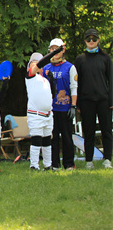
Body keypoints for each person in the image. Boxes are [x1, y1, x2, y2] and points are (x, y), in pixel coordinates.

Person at [74, 29, 113, 169]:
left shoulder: (105, 58)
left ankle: (107, 158)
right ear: (85, 41)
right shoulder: (80, 59)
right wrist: (77, 102)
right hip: (86, 100)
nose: (91, 42)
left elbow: (111, 80)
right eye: (89, 39)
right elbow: (75, 83)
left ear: (98, 40)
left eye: (94, 39)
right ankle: (89, 160)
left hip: (103, 100)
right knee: (88, 131)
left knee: (106, 130)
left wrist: (111, 100)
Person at [42, 38, 77, 171]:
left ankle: (68, 164)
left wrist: (73, 105)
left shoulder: (70, 67)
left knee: (67, 137)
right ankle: (54, 164)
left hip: (65, 107)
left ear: (63, 50)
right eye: (52, 49)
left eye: (57, 49)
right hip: (50, 109)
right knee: (53, 137)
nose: (54, 52)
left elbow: (74, 87)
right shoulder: (45, 68)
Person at [26, 48, 63, 171]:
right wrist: (53, 54)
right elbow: (40, 64)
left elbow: (52, 94)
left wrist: (51, 81)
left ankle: (48, 164)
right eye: (34, 63)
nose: (37, 65)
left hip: (47, 114)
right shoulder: (30, 77)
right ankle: (34, 165)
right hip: (35, 114)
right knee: (36, 140)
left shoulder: (45, 80)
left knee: (47, 140)